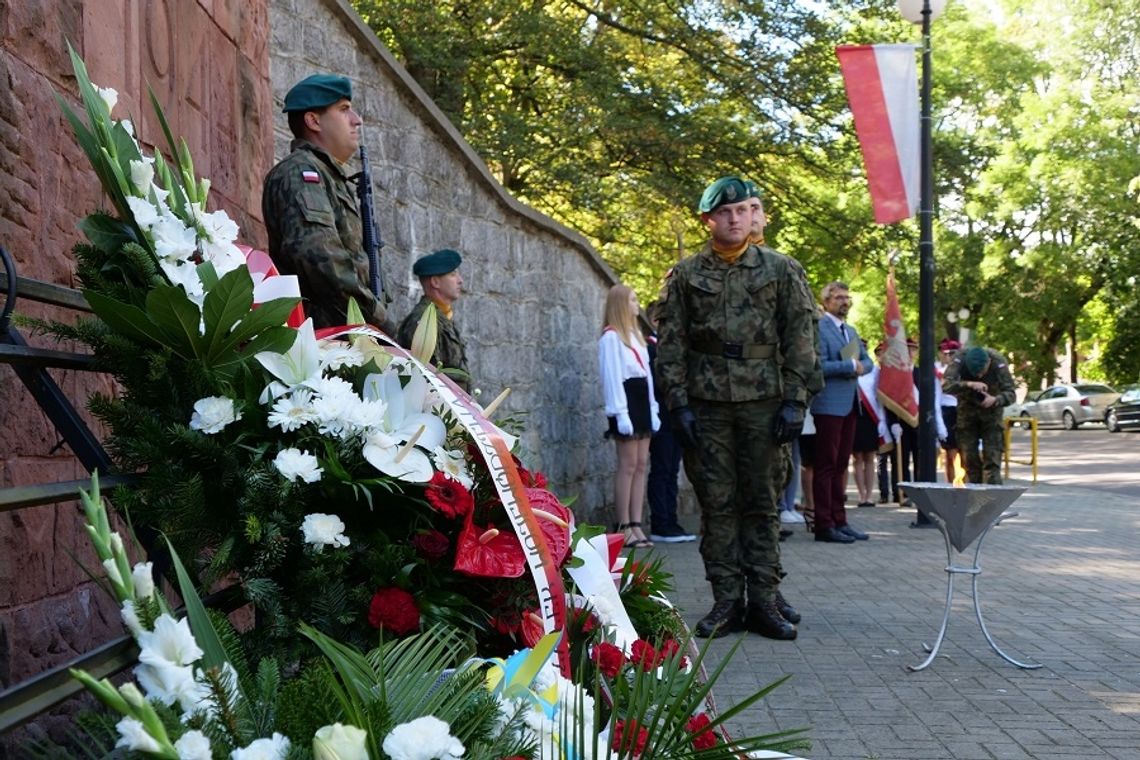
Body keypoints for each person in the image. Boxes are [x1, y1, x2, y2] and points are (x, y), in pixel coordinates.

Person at [656, 176, 819, 640]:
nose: (734, 219)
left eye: (743, 210)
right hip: (707, 406)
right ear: (708, 219)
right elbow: (671, 346)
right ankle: (727, 600)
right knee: (718, 503)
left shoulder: (782, 269)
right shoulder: (686, 275)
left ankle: (764, 597)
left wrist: (795, 401)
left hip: (765, 404)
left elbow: (799, 340)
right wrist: (678, 404)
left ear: (753, 215)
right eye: (724, 213)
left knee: (763, 502)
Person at [263, 74, 387, 330]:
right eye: (344, 110)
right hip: (320, 340)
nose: (357, 120)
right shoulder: (300, 173)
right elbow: (321, 259)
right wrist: (377, 317)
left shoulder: (328, 176)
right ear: (313, 120)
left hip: (344, 335)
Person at [810, 282, 873, 544]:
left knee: (840, 465)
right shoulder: (818, 328)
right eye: (838, 298)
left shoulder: (851, 330)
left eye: (847, 297)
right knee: (825, 465)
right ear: (825, 301)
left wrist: (860, 366)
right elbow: (817, 365)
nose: (844, 302)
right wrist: (850, 366)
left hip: (850, 405)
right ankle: (823, 524)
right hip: (828, 405)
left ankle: (840, 520)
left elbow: (867, 362)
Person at [598, 285, 660, 549]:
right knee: (628, 464)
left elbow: (647, 375)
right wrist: (620, 413)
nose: (637, 305)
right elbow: (611, 377)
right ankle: (623, 525)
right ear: (622, 305)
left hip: (642, 401)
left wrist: (653, 407)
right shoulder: (611, 338)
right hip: (625, 402)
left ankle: (636, 523)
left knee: (642, 464)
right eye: (633, 300)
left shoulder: (636, 336)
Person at [645, 302, 697, 544]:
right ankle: (661, 522)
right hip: (662, 416)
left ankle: (671, 519)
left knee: (672, 470)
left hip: (675, 416)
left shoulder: (672, 348)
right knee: (662, 469)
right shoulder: (650, 348)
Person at [396, 249, 471, 391]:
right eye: (452, 274)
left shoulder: (441, 317)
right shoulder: (423, 320)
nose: (460, 281)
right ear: (435, 282)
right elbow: (427, 377)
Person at [941, 346, 1016, 484]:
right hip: (967, 413)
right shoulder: (960, 359)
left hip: (992, 413)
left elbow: (1011, 394)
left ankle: (994, 499)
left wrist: (996, 399)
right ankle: (974, 496)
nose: (979, 376)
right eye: (975, 373)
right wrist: (968, 384)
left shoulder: (998, 362)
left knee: (992, 461)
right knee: (969, 460)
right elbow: (946, 386)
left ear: (988, 363)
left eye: (982, 372)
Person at [937, 338, 962, 482]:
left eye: (952, 353)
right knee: (951, 452)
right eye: (945, 353)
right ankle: (951, 484)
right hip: (946, 410)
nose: (948, 356)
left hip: (962, 409)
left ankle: (966, 485)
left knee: (965, 451)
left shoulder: (963, 370)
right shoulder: (937, 370)